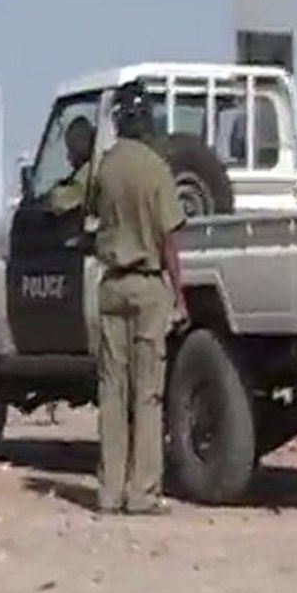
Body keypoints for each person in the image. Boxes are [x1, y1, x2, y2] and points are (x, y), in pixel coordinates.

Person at [90, 81, 187, 516]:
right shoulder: (156, 168)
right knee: (147, 394)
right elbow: (169, 239)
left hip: (112, 284)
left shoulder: (106, 166)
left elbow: (92, 213)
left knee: (112, 391)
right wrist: (179, 295)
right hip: (148, 286)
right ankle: (143, 492)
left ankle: (109, 491)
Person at [45, 115, 96, 214]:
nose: (68, 157)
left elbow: (62, 202)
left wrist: (51, 196)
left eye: (72, 149)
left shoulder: (89, 171)